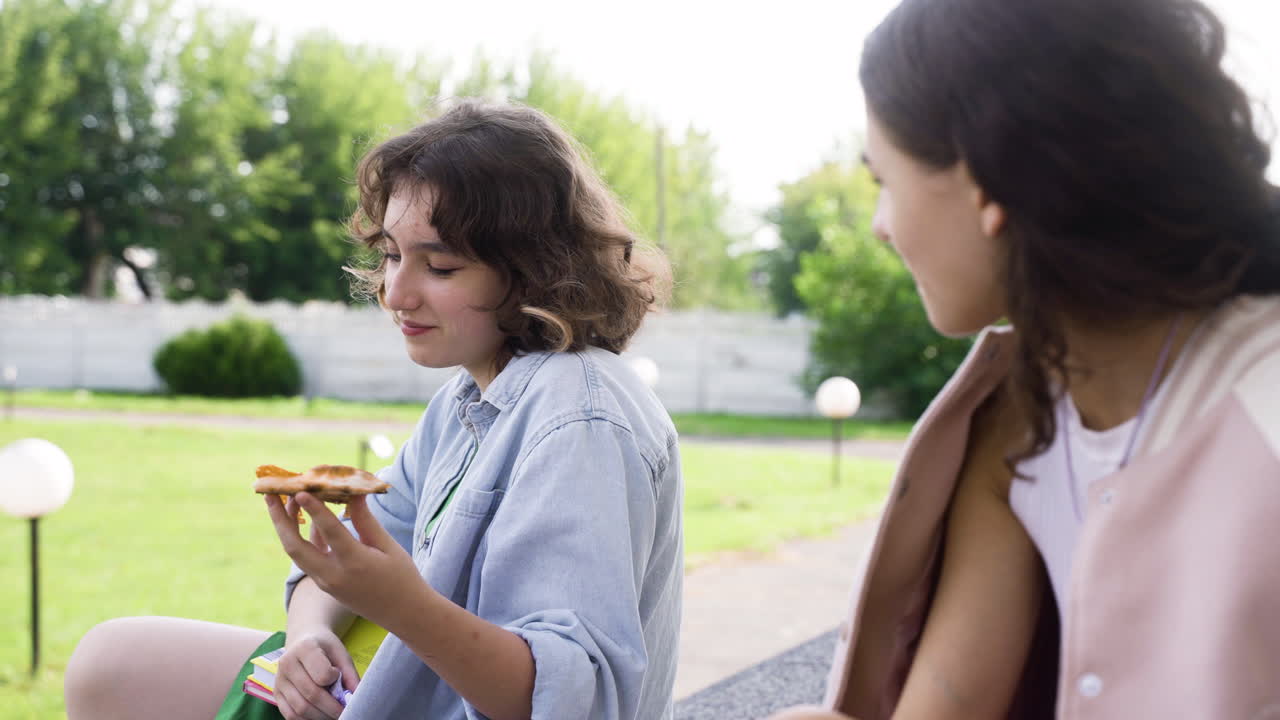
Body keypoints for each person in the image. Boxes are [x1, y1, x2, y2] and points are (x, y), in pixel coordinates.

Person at [64, 100, 684, 720]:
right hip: (374, 691)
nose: (396, 293)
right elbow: (354, 561)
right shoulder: (467, 403)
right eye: (391, 255)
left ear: (534, 271)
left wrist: (400, 605)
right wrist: (309, 636)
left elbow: (569, 701)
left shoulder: (580, 422)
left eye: (440, 265)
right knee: (110, 662)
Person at [769, 0, 1280, 718]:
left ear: (984, 184)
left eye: (883, 182)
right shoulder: (1023, 425)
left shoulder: (1262, 412)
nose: (881, 228)